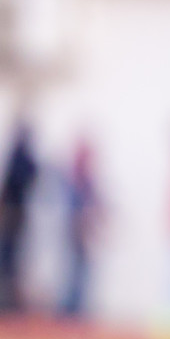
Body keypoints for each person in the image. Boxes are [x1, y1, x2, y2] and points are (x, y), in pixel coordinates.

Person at [0, 118, 39, 313]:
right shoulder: (17, 157)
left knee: (12, 263)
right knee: (7, 263)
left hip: (16, 216)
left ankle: (11, 306)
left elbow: (10, 184)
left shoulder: (21, 158)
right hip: (13, 216)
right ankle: (6, 305)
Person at [58, 135, 103, 319]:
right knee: (74, 270)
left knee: (81, 270)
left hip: (83, 229)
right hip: (75, 229)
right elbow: (74, 205)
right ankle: (71, 310)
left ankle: (76, 309)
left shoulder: (85, 177)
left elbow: (95, 201)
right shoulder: (75, 176)